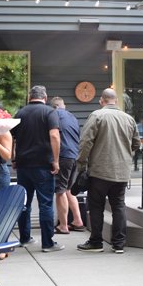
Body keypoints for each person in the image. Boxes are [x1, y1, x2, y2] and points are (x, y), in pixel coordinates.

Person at [76, 89, 140, 253]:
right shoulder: (129, 119)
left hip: (100, 170)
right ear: (116, 101)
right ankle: (119, 244)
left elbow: (86, 142)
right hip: (121, 171)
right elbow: (136, 144)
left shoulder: (96, 116)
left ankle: (96, 242)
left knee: (96, 206)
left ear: (101, 100)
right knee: (118, 205)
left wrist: (81, 165)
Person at [11, 85, 64, 252]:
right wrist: (56, 160)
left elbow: (11, 138)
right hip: (43, 165)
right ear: (45, 98)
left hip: (23, 165)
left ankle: (25, 238)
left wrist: (14, 158)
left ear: (29, 97)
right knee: (46, 204)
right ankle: (47, 243)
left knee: (24, 203)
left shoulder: (20, 113)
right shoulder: (50, 112)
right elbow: (54, 135)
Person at [49, 97, 85, 235]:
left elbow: (53, 135)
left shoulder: (54, 115)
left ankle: (63, 226)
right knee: (68, 190)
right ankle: (77, 220)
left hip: (63, 156)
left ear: (53, 107)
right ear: (64, 106)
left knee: (60, 191)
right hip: (75, 156)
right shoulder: (72, 117)